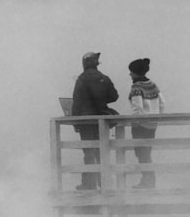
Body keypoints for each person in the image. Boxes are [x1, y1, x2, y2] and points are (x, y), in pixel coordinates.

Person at [71, 52, 120, 190]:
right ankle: (104, 182)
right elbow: (114, 96)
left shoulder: (81, 79)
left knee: (88, 152)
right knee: (101, 151)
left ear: (85, 63)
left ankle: (89, 184)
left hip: (86, 120)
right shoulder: (104, 78)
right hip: (102, 120)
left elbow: (77, 101)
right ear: (96, 63)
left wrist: (75, 121)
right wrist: (101, 99)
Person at [127, 58, 165, 189]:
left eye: (131, 72)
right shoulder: (153, 85)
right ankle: (149, 180)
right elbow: (162, 103)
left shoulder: (136, 87)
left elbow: (137, 109)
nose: (130, 74)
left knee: (142, 153)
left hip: (140, 126)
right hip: (152, 125)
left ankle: (147, 182)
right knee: (147, 152)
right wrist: (156, 117)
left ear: (136, 73)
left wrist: (136, 123)